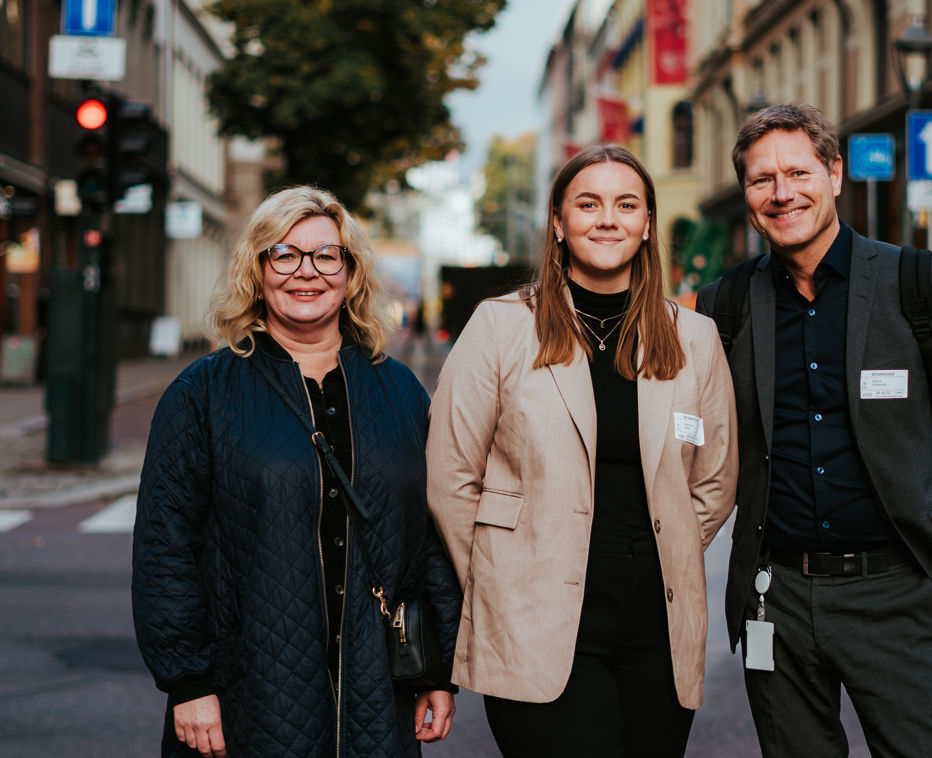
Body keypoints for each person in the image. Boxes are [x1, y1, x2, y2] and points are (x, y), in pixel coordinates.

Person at [695, 105, 932, 757]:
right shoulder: (724, 304)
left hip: (894, 591)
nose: (782, 193)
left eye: (798, 172)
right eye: (761, 179)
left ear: (835, 174)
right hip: (772, 596)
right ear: (746, 193)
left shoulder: (917, 284)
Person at [426, 144, 738, 758]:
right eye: (587, 203)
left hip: (658, 625)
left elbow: (714, 478)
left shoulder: (693, 338)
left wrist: (662, 542)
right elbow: (450, 477)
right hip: (535, 616)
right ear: (558, 222)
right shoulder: (500, 327)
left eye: (626, 205)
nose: (607, 219)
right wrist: (503, 579)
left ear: (647, 224)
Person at [132, 186, 462, 758]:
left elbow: (429, 538)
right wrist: (188, 682)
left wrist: (438, 669)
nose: (305, 272)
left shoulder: (399, 391)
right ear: (256, 269)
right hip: (248, 694)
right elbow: (165, 548)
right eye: (284, 254)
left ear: (349, 271)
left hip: (375, 693)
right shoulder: (204, 393)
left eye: (326, 255)